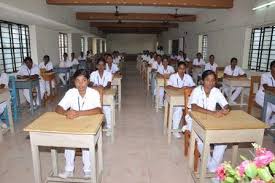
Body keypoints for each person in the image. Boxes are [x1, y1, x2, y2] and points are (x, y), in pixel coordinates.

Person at [56, 69, 102, 179]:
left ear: (88, 81)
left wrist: (79, 113)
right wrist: (66, 112)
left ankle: (88, 170)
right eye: (78, 81)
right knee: (69, 141)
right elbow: (58, 108)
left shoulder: (94, 93)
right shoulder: (71, 92)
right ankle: (69, 169)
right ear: (74, 82)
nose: (81, 84)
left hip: (89, 125)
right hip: (73, 125)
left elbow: (98, 110)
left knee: (86, 143)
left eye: (84, 80)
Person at [183, 70, 230, 172]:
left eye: (213, 80)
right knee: (201, 139)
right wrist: (213, 113)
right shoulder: (197, 90)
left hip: (210, 121)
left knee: (223, 140)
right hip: (194, 119)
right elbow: (194, 107)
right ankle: (213, 169)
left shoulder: (216, 91)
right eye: (207, 80)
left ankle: (211, 165)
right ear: (202, 81)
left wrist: (226, 108)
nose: (210, 82)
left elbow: (225, 104)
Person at [166, 62, 195, 138]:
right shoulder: (173, 76)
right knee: (178, 109)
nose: (182, 70)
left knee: (192, 111)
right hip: (175, 99)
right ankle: (175, 130)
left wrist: (187, 88)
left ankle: (189, 129)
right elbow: (168, 86)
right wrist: (179, 89)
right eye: (180, 68)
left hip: (186, 100)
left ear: (185, 69)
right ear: (177, 69)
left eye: (183, 69)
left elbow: (194, 86)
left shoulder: (188, 77)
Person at [90, 58, 113, 136]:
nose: (101, 67)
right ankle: (94, 126)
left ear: (105, 66)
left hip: (105, 93)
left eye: (102, 65)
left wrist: (102, 88)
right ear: (96, 66)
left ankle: (109, 127)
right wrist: (97, 87)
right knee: (93, 109)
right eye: (99, 65)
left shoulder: (108, 74)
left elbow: (109, 85)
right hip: (95, 95)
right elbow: (90, 84)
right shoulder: (93, 74)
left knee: (107, 108)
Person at [256, 60, 275, 125]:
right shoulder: (265, 75)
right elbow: (266, 87)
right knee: (268, 109)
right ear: (270, 68)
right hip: (262, 96)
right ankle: (264, 126)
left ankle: (270, 122)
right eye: (274, 67)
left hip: (272, 97)